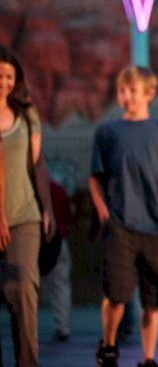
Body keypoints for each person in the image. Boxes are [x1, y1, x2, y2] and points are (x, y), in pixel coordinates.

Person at [89, 65, 158, 367]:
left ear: (149, 94)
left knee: (153, 301)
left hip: (156, 226)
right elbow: (96, 176)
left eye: (133, 91)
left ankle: (148, 358)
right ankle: (108, 344)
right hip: (120, 223)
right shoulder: (108, 131)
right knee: (117, 295)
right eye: (122, 91)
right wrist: (103, 210)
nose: (127, 97)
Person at [0, 45, 52, 367]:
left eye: (8, 76)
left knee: (22, 288)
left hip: (24, 215)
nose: (3, 82)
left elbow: (38, 164)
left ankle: (27, 362)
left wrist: (46, 206)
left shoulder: (26, 116)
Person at [41, 178, 74, 342]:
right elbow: (68, 216)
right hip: (58, 239)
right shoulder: (58, 189)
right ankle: (62, 326)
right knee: (60, 285)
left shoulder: (27, 187)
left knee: (28, 285)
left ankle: (27, 326)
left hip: (34, 238)